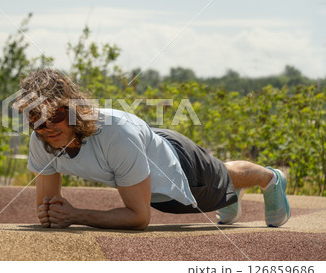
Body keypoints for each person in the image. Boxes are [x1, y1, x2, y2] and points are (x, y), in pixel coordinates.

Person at [16, 68, 291, 230]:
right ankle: (229, 195)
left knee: (222, 178)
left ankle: (270, 178)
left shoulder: (114, 134)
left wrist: (76, 215)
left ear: (74, 109)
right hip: (145, 141)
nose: (47, 126)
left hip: (182, 167)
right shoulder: (41, 140)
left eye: (56, 115)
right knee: (222, 185)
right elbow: (48, 209)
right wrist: (52, 213)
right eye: (35, 118)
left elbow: (139, 218)